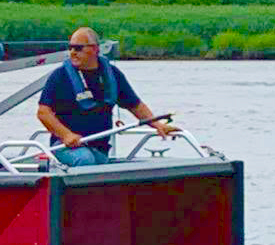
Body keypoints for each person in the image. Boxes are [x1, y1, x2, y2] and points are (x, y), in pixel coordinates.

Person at [36, 27, 177, 167]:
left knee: (96, 160)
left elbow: (135, 105)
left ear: (95, 49)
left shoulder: (112, 74)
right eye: (70, 48)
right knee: (85, 160)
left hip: (99, 147)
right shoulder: (60, 76)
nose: (73, 52)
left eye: (78, 48)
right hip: (67, 146)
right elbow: (43, 112)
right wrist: (66, 135)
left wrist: (157, 125)